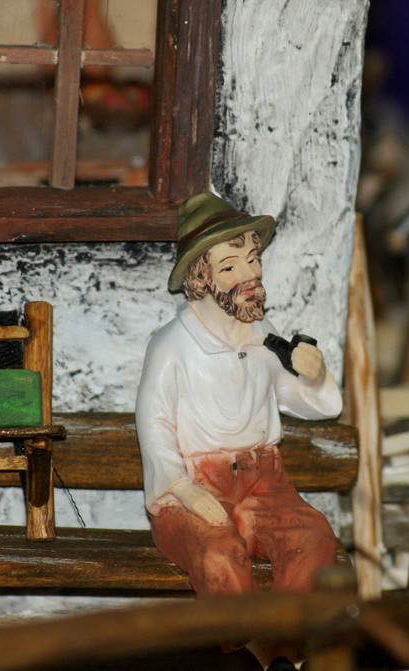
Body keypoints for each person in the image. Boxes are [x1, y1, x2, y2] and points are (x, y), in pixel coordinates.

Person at [135, 191, 344, 601]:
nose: (250, 275)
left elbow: (316, 404)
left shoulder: (265, 339)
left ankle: (286, 636)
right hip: (195, 486)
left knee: (313, 538)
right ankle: (241, 640)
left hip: (264, 483)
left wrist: (315, 376)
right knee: (218, 556)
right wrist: (182, 488)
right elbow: (154, 422)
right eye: (230, 266)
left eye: (253, 259)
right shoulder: (172, 345)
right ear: (202, 279)